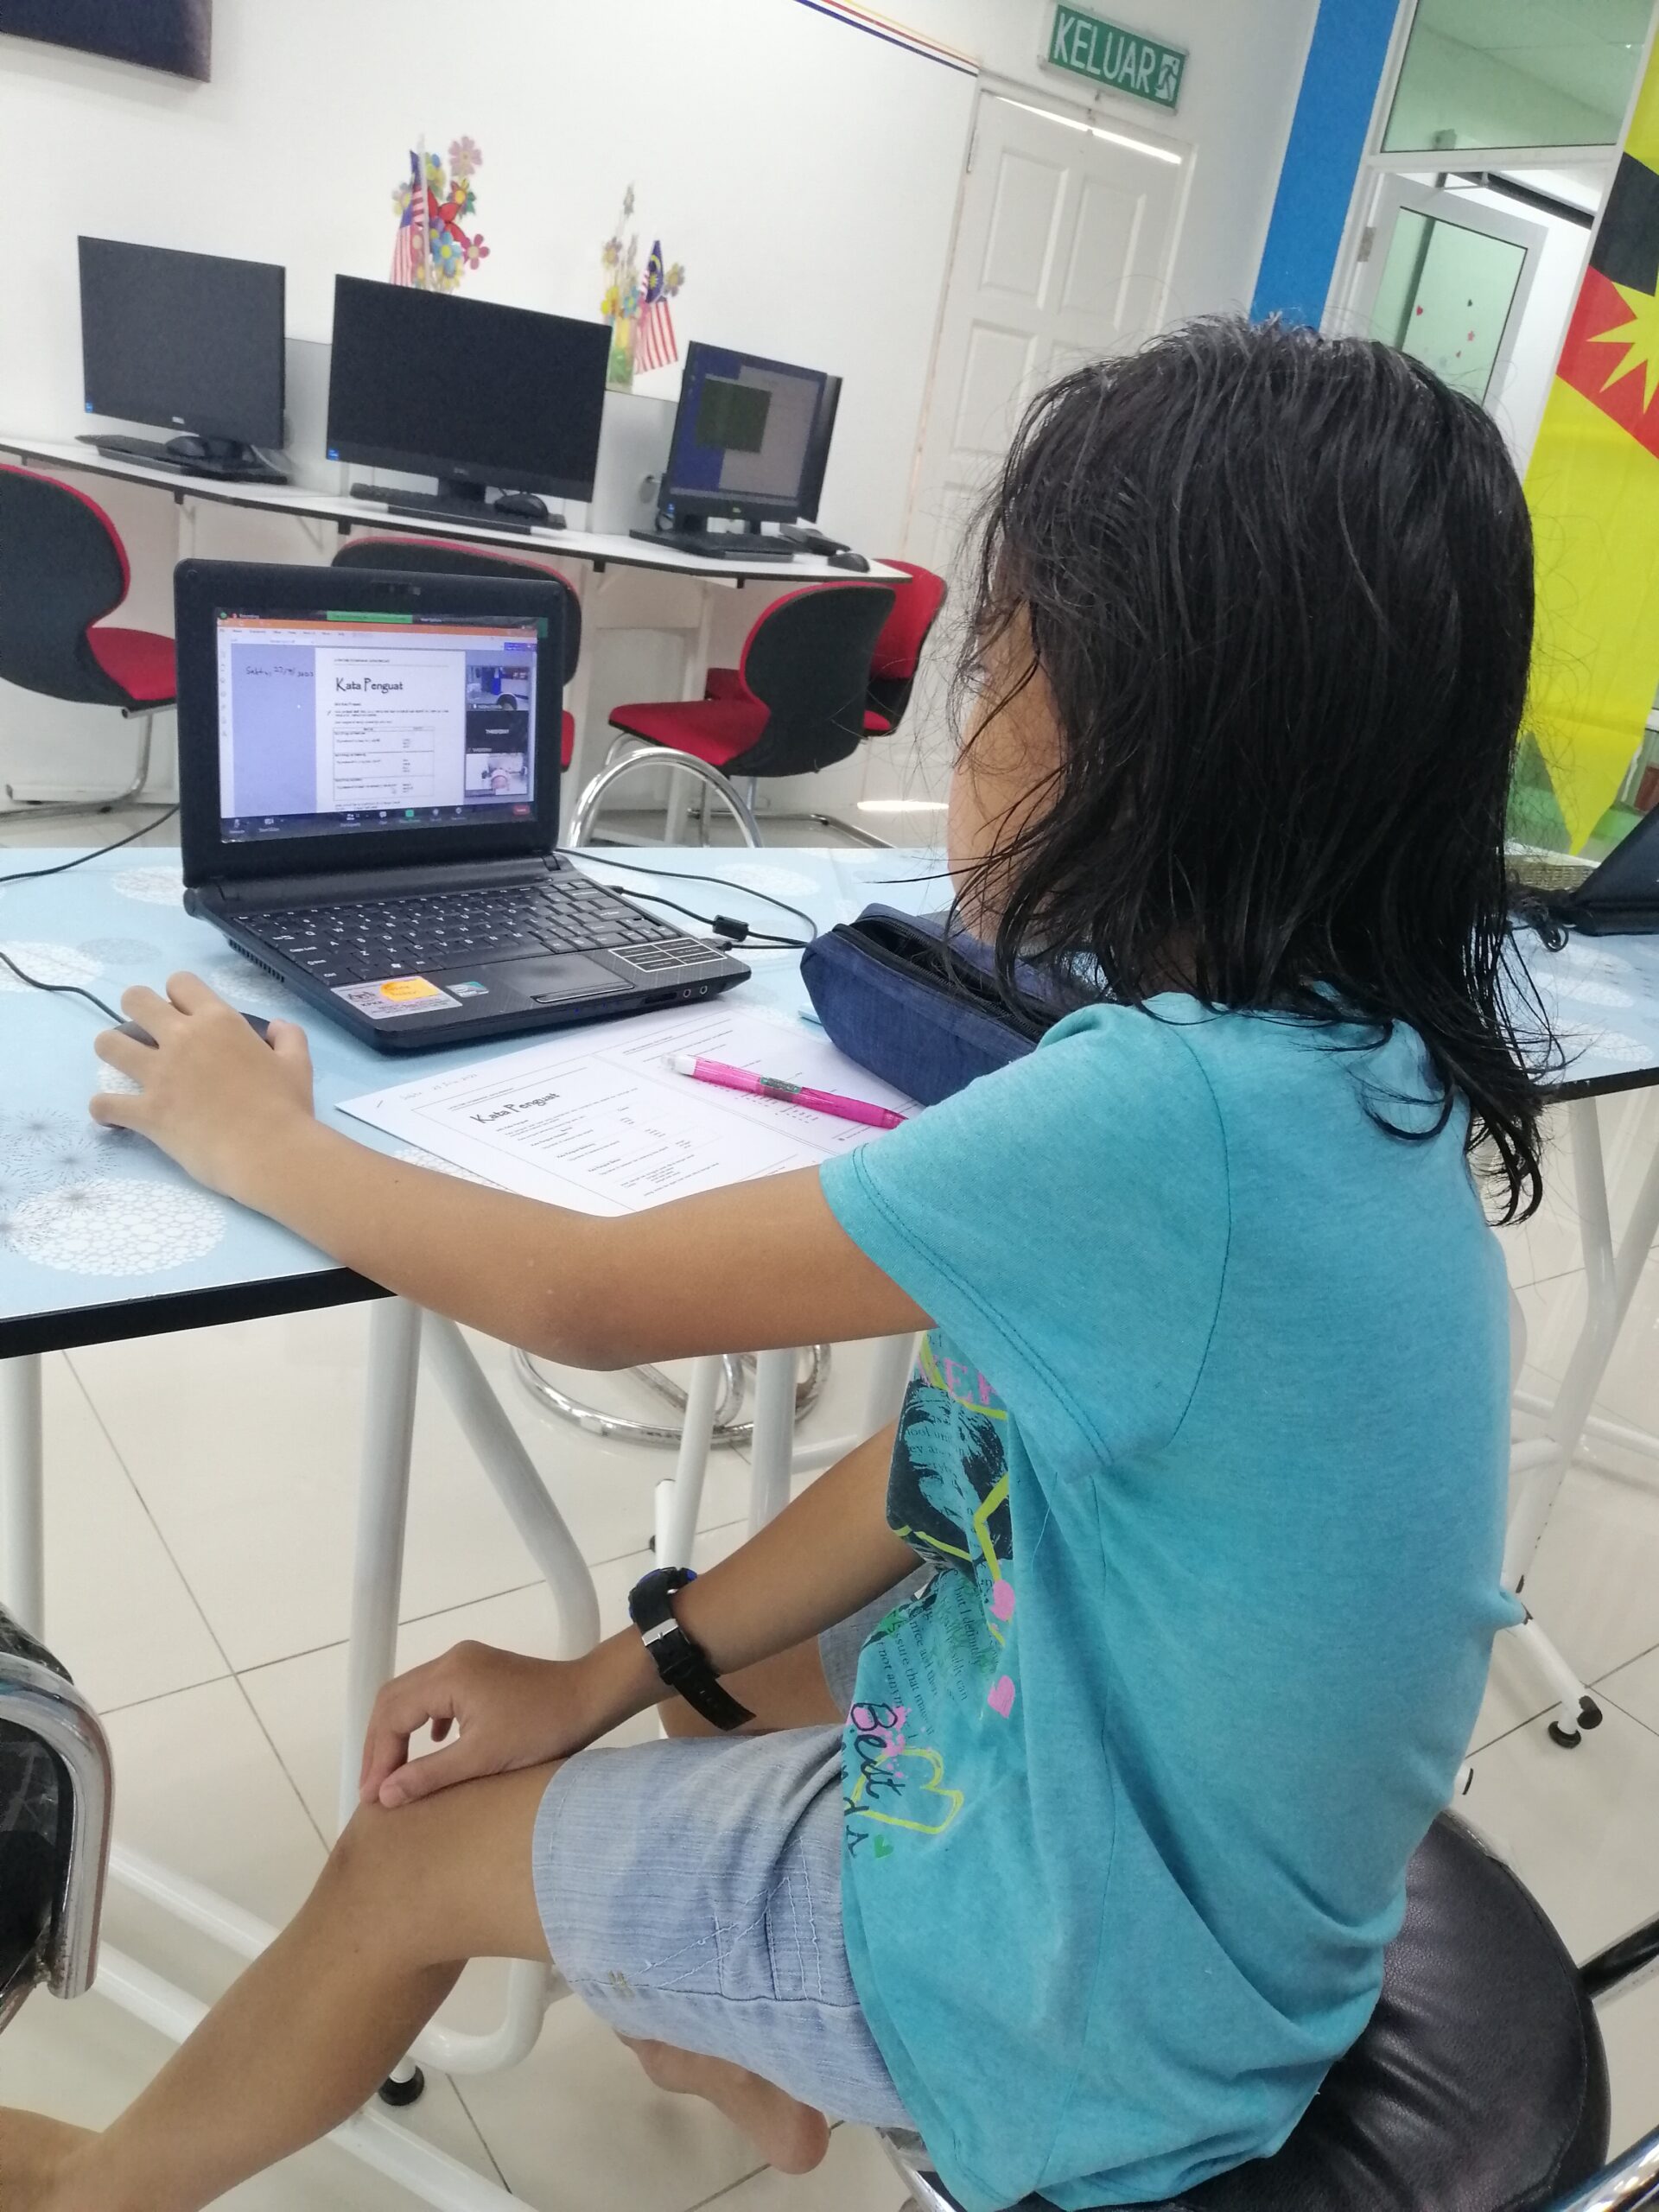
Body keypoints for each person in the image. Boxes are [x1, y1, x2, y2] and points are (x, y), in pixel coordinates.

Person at [1, 315, 1547, 2212]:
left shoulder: (1166, 1120)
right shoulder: (1355, 1073)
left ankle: (85, 2195)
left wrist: (264, 1140)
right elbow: (941, 1469)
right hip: (1213, 1930)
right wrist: (594, 1674)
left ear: (1153, 733)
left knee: (404, 1866)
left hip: (1086, 1996)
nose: (961, 717)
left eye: (1002, 656)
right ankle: (756, 2052)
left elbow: (586, 1300)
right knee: (706, 1657)